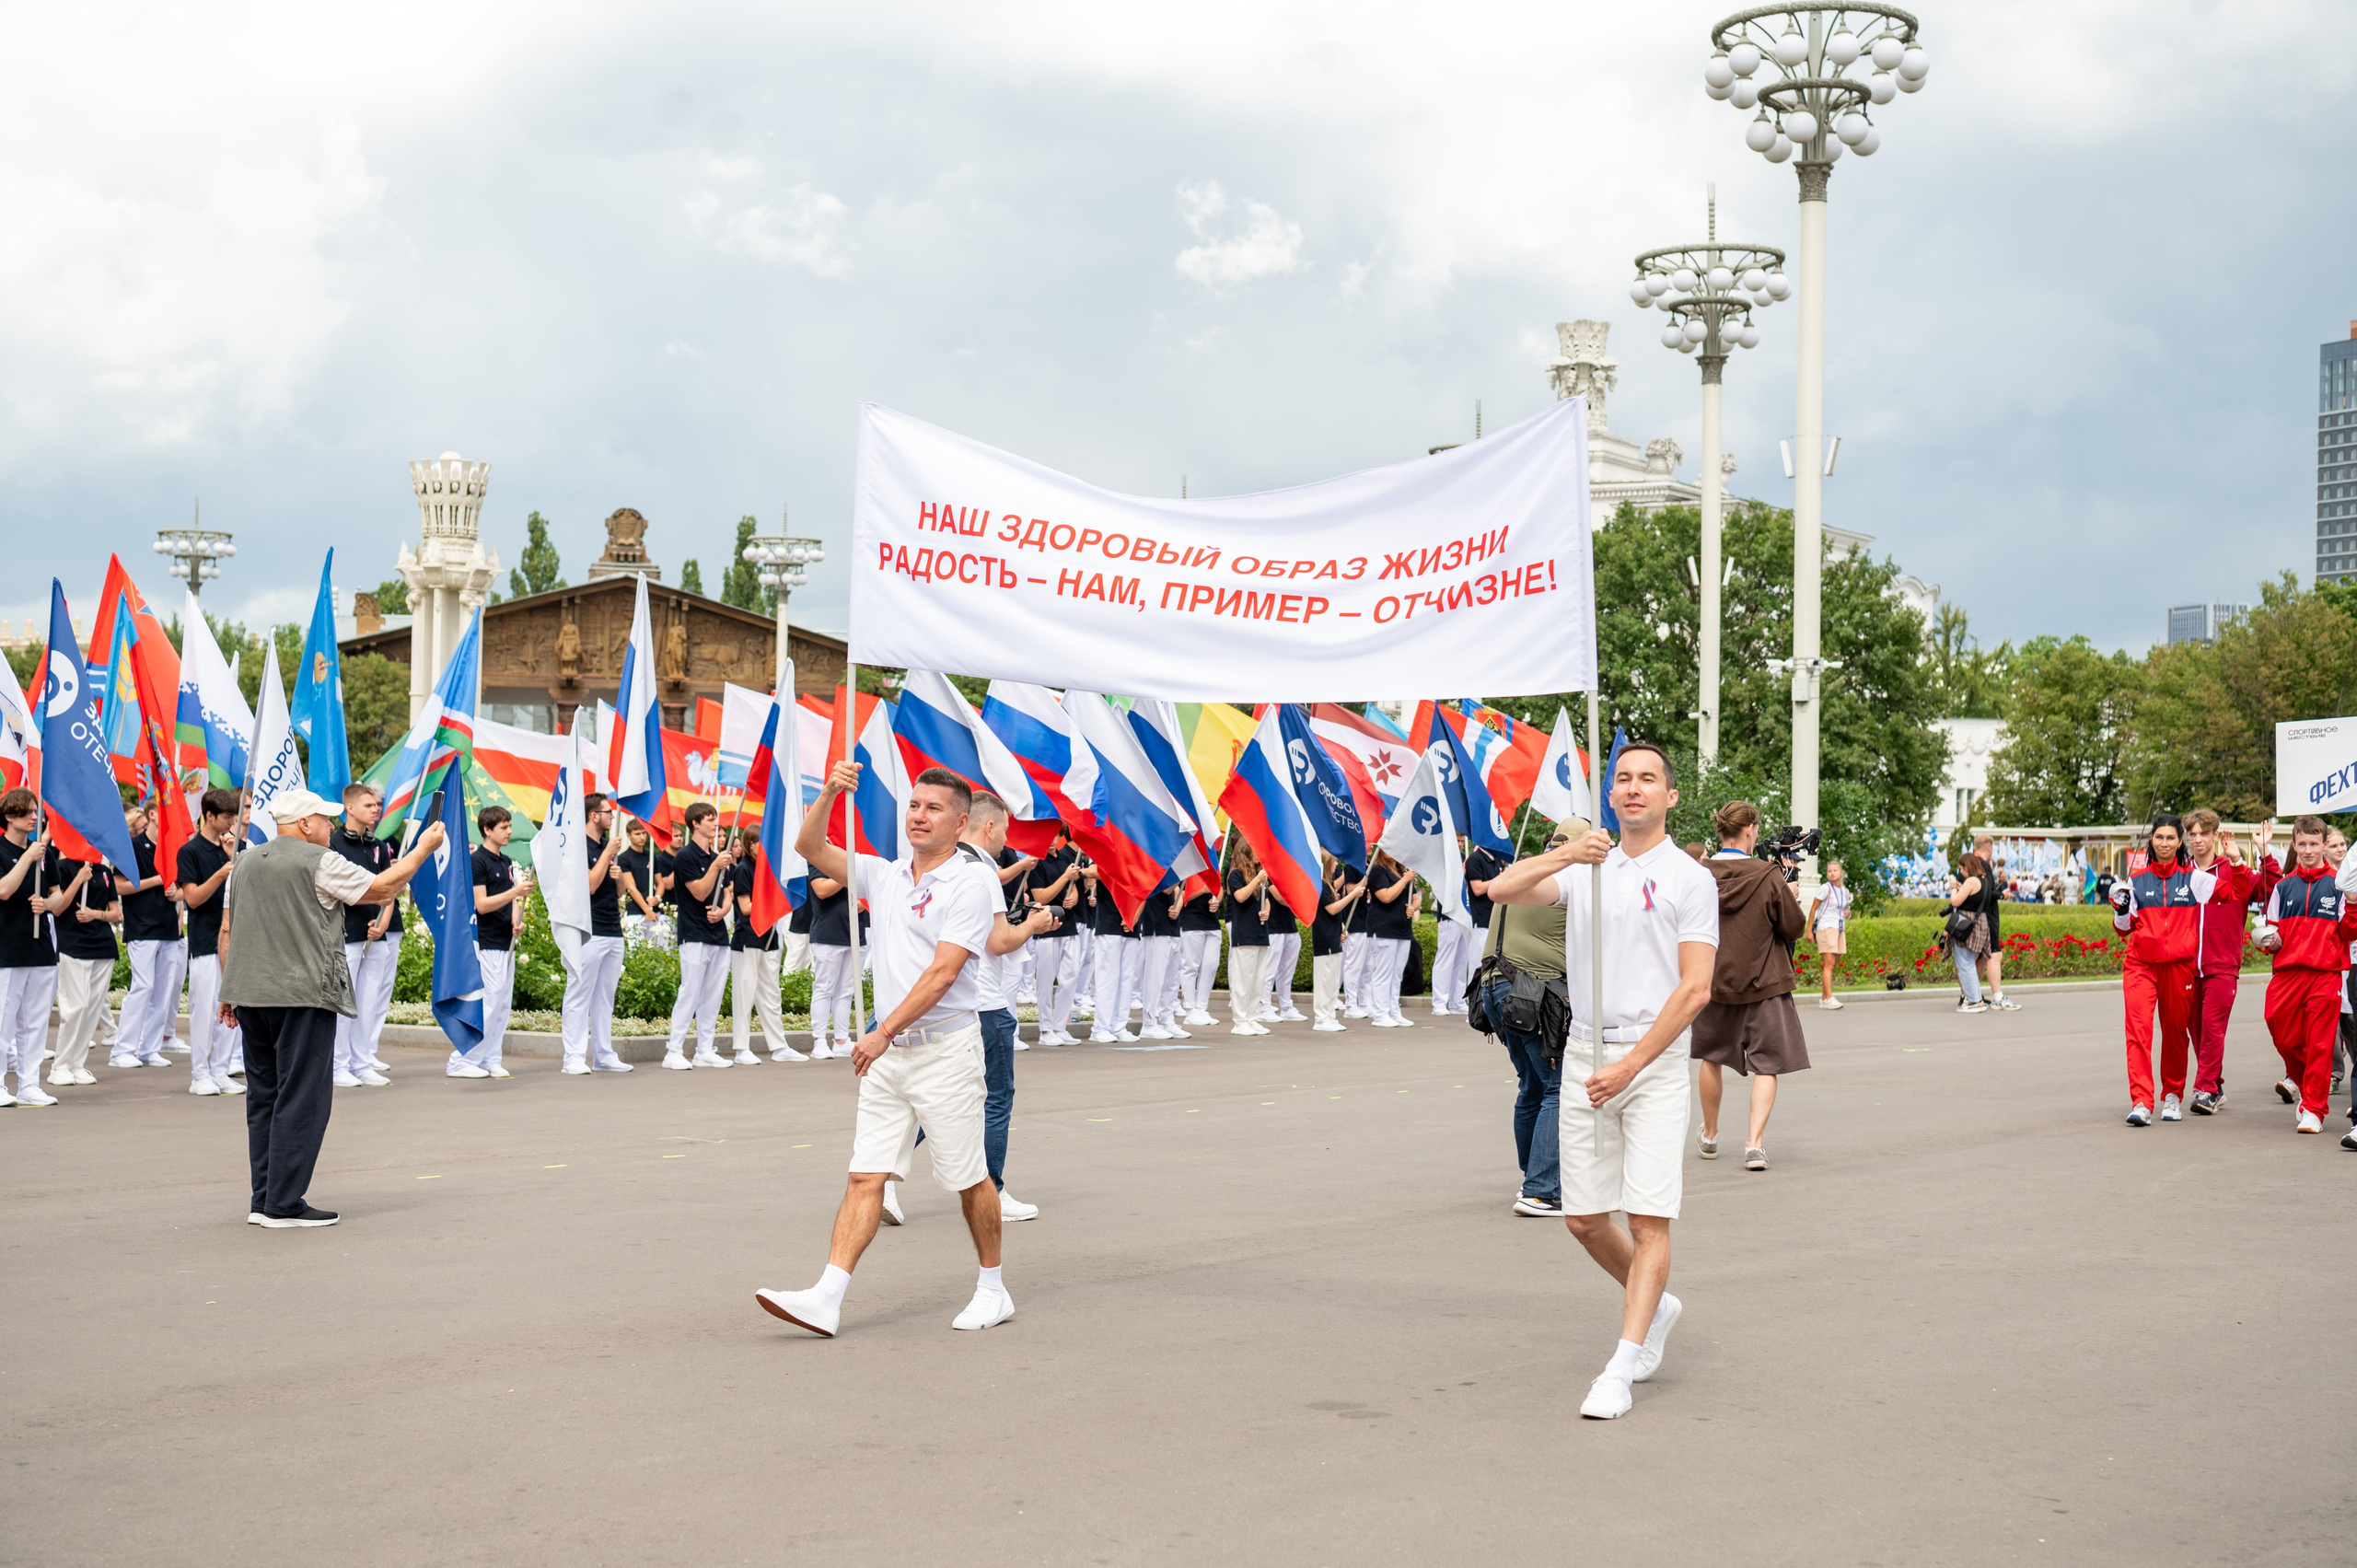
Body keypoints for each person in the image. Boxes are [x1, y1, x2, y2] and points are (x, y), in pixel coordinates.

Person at [1486, 740, 1717, 1422]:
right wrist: (1567, 853)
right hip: (1583, 1054)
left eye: (1648, 779)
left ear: (1670, 796)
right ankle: (1659, 1302)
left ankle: (1623, 1360)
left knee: (1647, 1217)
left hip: (1649, 1063)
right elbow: (1500, 890)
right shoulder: (1588, 867)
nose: (1634, 788)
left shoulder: (1688, 878)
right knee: (1585, 1219)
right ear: (1610, 796)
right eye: (1623, 779)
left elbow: (1696, 987)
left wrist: (1633, 1063)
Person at [757, 761, 1011, 1336]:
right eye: (915, 805)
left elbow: (945, 973)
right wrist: (828, 792)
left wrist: (882, 1030)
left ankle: (993, 1289)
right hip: (890, 1054)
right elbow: (808, 846)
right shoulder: (885, 873)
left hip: (944, 1051)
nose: (919, 817)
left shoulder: (970, 883)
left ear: (961, 821)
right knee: (865, 1175)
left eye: (934, 809)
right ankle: (827, 1296)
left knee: (969, 1179)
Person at [219, 788, 443, 1226]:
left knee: (264, 1097)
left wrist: (228, 990)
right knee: (302, 1096)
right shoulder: (319, 860)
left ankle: (264, 1199)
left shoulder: (243, 862)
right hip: (302, 993)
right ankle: (283, 1204)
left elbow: (229, 929)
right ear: (304, 824)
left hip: (251, 994)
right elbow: (382, 889)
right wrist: (422, 850)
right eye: (325, 819)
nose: (331, 827)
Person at [958, 792, 1061, 1218]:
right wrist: (1034, 924)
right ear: (989, 827)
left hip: (949, 1002)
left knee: (942, 1099)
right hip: (984, 1001)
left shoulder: (942, 864)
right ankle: (993, 1192)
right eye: (1004, 830)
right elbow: (998, 942)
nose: (1006, 840)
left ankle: (883, 1181)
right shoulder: (981, 870)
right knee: (995, 1098)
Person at [1693, 802, 1810, 1172]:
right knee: (1767, 1064)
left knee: (1712, 1057)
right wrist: (1789, 898)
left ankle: (1710, 1135)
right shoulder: (1768, 875)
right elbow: (1792, 928)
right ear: (1750, 830)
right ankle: (1754, 1144)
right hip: (1765, 981)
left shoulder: (1698, 874)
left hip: (1714, 981)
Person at [1479, 827, 1574, 1215]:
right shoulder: (1566, 880)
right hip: (1532, 992)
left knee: (1532, 1085)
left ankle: (1532, 1175)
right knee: (1558, 1086)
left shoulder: (1521, 871)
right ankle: (1541, 1189)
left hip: (1491, 987)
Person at [2252, 817, 2357, 1135]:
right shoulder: (2282, 887)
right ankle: (2306, 1081)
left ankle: (2314, 1108)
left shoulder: (2340, 883)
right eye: (2303, 844)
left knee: (2322, 1044)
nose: (2309, 850)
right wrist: (2266, 940)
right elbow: (2269, 930)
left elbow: (2350, 931)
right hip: (2287, 974)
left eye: (2315, 844)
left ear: (2325, 844)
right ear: (2294, 846)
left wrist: (2352, 900)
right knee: (2279, 1029)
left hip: (2325, 974)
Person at [2185, 810, 2278, 1115]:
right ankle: (2215, 1083)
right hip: (2186, 964)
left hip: (2222, 964)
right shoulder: (2180, 872)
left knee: (2213, 1028)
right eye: (2193, 834)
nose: (2198, 839)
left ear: (2215, 835)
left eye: (2203, 833)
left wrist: (2262, 850)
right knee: (2196, 1032)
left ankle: (2207, 1090)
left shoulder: (2233, 869)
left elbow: (2269, 887)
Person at [2109, 816, 2200, 1126]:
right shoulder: (2136, 881)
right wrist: (2121, 909)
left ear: (2179, 842)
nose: (2164, 843)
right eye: (2159, 838)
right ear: (2151, 841)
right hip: (2141, 965)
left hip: (2179, 967)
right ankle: (2141, 1101)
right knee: (2138, 1032)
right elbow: (2123, 930)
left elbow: (2232, 894)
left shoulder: (2194, 878)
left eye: (2170, 838)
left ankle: (2172, 1096)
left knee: (2175, 1032)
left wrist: (2238, 861)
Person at [0, 790, 74, 1107]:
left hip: (40, 947)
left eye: (35, 811)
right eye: (28, 812)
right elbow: (3, 890)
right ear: (9, 817)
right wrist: (28, 857)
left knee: (35, 1020)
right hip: (7, 947)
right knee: (4, 1019)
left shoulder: (45, 854)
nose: (34, 817)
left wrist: (47, 903)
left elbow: (57, 899)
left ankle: (30, 1083)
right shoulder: (7, 850)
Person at [450, 805, 531, 1079]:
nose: (509, 831)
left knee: (503, 1003)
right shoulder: (478, 861)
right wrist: (516, 891)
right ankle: (461, 1059)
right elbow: (482, 904)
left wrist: (515, 920)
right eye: (504, 827)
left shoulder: (505, 861)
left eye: (509, 826)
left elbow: (508, 901)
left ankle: (490, 1057)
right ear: (487, 830)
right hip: (485, 942)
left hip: (504, 939)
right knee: (490, 1001)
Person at [331, 784, 401, 1087]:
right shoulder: (333, 843)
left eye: (376, 804)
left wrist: (384, 921)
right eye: (369, 804)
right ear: (350, 808)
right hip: (347, 934)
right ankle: (337, 1065)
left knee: (369, 1001)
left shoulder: (379, 845)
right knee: (345, 1004)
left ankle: (362, 1062)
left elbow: (391, 888)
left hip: (377, 935)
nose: (376, 809)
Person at [559, 792, 634, 1075]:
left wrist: (619, 877)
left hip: (612, 928)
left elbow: (615, 891)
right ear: (594, 815)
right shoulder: (578, 846)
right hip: (588, 931)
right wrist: (605, 855)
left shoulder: (605, 847)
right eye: (608, 812)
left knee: (605, 996)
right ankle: (574, 1057)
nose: (612, 817)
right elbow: (589, 885)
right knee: (579, 993)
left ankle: (603, 1054)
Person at [176, 789, 245, 1096]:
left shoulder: (235, 848)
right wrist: (219, 874)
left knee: (233, 1008)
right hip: (205, 942)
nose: (233, 822)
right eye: (228, 817)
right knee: (205, 1010)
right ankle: (199, 1074)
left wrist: (234, 858)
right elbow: (192, 898)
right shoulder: (190, 851)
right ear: (210, 816)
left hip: (236, 941)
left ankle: (221, 1070)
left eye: (234, 816)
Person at [664, 801, 739, 1070]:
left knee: (713, 994)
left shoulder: (717, 857)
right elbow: (699, 891)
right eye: (709, 819)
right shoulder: (685, 856)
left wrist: (723, 911)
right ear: (695, 823)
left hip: (718, 933)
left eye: (715, 818)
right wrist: (716, 867)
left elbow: (728, 893)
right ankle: (673, 1050)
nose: (714, 823)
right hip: (694, 933)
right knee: (690, 991)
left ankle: (704, 1049)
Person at [114, 805, 186, 1068]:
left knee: (163, 991)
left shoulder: (174, 848)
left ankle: (150, 1049)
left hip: (168, 928)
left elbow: (181, 887)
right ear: (153, 814)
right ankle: (122, 1050)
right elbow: (120, 885)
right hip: (142, 928)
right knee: (142, 986)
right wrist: (157, 881)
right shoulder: (133, 845)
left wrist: (176, 892)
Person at [50, 848, 121, 1089]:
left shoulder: (104, 871)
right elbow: (58, 908)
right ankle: (60, 1065)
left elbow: (115, 913)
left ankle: (77, 1064)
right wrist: (79, 879)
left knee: (91, 1009)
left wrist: (95, 914)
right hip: (73, 945)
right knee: (75, 1007)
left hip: (102, 946)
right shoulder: (64, 868)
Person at [727, 826, 793, 1064]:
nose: (762, 846)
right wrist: (772, 901)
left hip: (769, 937)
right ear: (750, 844)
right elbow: (745, 907)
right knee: (745, 994)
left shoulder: (767, 869)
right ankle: (741, 1048)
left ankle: (779, 1045)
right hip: (748, 937)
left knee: (771, 993)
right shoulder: (744, 869)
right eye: (758, 842)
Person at [1021, 832, 1084, 1044]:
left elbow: (1074, 890)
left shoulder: (1065, 858)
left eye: (1055, 835)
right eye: (1047, 835)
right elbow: (1040, 896)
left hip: (1069, 925)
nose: (1052, 840)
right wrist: (1065, 878)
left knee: (1070, 978)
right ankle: (1045, 1030)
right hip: (1046, 926)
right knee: (1046, 980)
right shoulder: (1036, 862)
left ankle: (1060, 1027)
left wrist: (1072, 900)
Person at [807, 858, 861, 1060]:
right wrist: (849, 872)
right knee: (824, 988)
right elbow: (821, 889)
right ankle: (819, 1040)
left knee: (846, 991)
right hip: (828, 932)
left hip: (854, 934)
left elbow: (864, 898)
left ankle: (841, 1040)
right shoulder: (820, 854)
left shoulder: (856, 855)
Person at [1449, 834, 1504, 1017]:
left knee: (1492, 965)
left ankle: (1487, 1005)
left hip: (1494, 919)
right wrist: (1500, 881)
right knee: (1476, 964)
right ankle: (1474, 1007)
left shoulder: (1497, 861)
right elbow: (1478, 888)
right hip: (1480, 920)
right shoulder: (1475, 859)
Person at [1363, 849, 1418, 1028]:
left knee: (1396, 974)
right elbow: (1385, 896)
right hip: (1383, 928)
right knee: (1383, 973)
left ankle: (1394, 1011)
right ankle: (1380, 1014)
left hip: (1402, 929)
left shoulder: (1403, 871)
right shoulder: (1379, 870)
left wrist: (1413, 907)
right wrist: (1404, 880)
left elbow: (1416, 898)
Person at [1225, 842, 1271, 1037]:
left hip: (1260, 932)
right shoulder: (1235, 875)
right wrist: (1257, 880)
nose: (1257, 855)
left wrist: (1266, 911)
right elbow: (1240, 896)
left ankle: (1252, 1017)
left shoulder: (1258, 875)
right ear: (1245, 852)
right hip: (1244, 934)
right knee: (1243, 979)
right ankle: (1240, 1020)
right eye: (1254, 851)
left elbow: (1266, 899)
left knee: (1257, 980)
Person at [1309, 852, 1354, 1032]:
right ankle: (1321, 1018)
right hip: (1324, 938)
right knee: (1324, 980)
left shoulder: (1328, 886)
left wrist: (1342, 928)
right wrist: (1352, 895)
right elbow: (1331, 909)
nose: (1336, 865)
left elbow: (1335, 914)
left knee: (1333, 981)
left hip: (1333, 938)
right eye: (1334, 862)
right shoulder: (1321, 885)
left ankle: (1329, 1015)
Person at [1137, 880, 1188, 1040]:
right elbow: (1165, 888)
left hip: (1171, 926)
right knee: (1155, 978)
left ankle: (1168, 1020)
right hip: (1155, 926)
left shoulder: (1173, 869)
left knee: (1171, 980)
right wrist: (1183, 872)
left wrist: (1178, 907)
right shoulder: (1157, 863)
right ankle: (1149, 1023)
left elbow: (1177, 890)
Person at [1945, 854, 1995, 1015]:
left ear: (1967, 866)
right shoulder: (1983, 881)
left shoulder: (1972, 881)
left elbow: (1955, 902)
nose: (1960, 871)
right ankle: (1975, 998)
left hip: (1967, 925)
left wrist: (1953, 888)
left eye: (1961, 868)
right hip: (1979, 923)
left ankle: (1974, 1001)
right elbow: (1973, 898)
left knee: (1965, 963)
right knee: (1969, 963)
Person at [1973, 836, 2017, 1010]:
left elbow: (1982, 890)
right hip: (1988, 915)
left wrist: (1997, 884)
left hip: (1978, 914)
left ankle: (1971, 994)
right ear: (1990, 848)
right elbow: (1985, 893)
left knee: (1980, 959)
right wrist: (2002, 895)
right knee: (1994, 955)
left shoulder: (1972, 862)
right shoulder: (1983, 864)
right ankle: (1998, 996)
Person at [615, 818, 673, 947]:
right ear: (629, 835)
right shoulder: (624, 858)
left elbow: (661, 883)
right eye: (637, 834)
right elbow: (631, 888)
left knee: (659, 951)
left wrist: (657, 898)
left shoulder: (651, 855)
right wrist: (647, 910)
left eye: (644, 833)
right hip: (636, 913)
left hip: (655, 912)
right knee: (636, 952)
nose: (642, 837)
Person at [1177, 873, 1221, 1028]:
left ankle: (1201, 1008)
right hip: (1191, 922)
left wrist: (1217, 900)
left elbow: (1218, 888)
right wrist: (1202, 891)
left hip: (1212, 923)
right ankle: (1190, 1009)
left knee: (1210, 966)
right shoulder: (1187, 866)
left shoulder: (1211, 866)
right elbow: (1179, 895)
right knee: (1190, 966)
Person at [1805, 859, 1852, 1010]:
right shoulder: (1825, 888)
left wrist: (1847, 914)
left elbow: (1844, 910)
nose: (1832, 873)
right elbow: (1813, 909)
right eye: (1829, 871)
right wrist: (1809, 930)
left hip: (1839, 927)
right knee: (1829, 964)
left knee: (1833, 963)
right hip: (1826, 927)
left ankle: (1824, 998)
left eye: (1835, 870)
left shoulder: (1844, 891)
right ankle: (1829, 998)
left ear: (1841, 873)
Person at [1260, 882, 1306, 1024]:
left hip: (1290, 928)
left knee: (1286, 973)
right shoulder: (1271, 874)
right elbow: (1279, 897)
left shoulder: (1289, 874)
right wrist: (1300, 902)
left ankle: (1286, 1008)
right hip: (1274, 929)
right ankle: (1263, 1007)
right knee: (1269, 972)